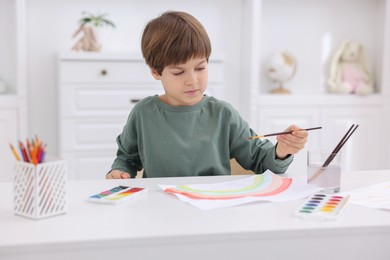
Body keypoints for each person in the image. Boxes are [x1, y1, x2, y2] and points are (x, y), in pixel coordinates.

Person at [106, 11, 308, 179]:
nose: (192, 80)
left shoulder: (223, 114)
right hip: (159, 210)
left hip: (213, 209)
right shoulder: (143, 113)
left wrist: (282, 150)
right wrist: (119, 171)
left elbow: (262, 161)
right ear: (156, 72)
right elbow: (126, 159)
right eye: (179, 72)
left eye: (200, 68)